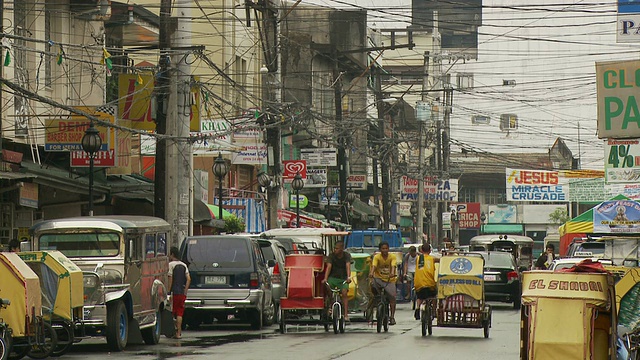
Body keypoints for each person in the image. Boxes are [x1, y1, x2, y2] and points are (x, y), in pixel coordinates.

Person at [321, 241, 352, 322]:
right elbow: (329, 267)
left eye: (337, 248)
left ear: (342, 249)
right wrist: (325, 278)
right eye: (334, 248)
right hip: (333, 278)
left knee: (344, 293)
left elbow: (348, 266)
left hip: (343, 279)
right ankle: (330, 306)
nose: (335, 250)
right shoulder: (331, 256)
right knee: (329, 290)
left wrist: (348, 277)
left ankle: (345, 314)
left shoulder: (346, 255)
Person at [369, 241, 398, 325]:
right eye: (383, 248)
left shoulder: (392, 257)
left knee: (392, 297)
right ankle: (372, 309)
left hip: (389, 280)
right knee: (372, 289)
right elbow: (374, 266)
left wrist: (392, 273)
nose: (384, 250)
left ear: (388, 249)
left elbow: (393, 265)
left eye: (386, 248)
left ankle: (392, 317)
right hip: (378, 279)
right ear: (380, 249)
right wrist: (371, 273)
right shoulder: (377, 257)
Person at [168, 246, 191, 339]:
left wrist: (168, 291)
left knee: (172, 312)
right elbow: (189, 279)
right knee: (180, 312)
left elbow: (170, 278)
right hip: (181, 292)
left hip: (174, 292)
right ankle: (179, 333)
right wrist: (185, 290)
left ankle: (174, 331)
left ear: (172, 254)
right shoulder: (184, 265)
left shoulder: (171, 265)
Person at [413, 244, 439, 320]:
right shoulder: (432, 259)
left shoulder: (418, 258)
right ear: (430, 250)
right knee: (434, 297)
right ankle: (434, 312)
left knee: (419, 297)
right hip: (430, 284)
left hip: (418, 284)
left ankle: (417, 308)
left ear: (421, 250)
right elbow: (440, 260)